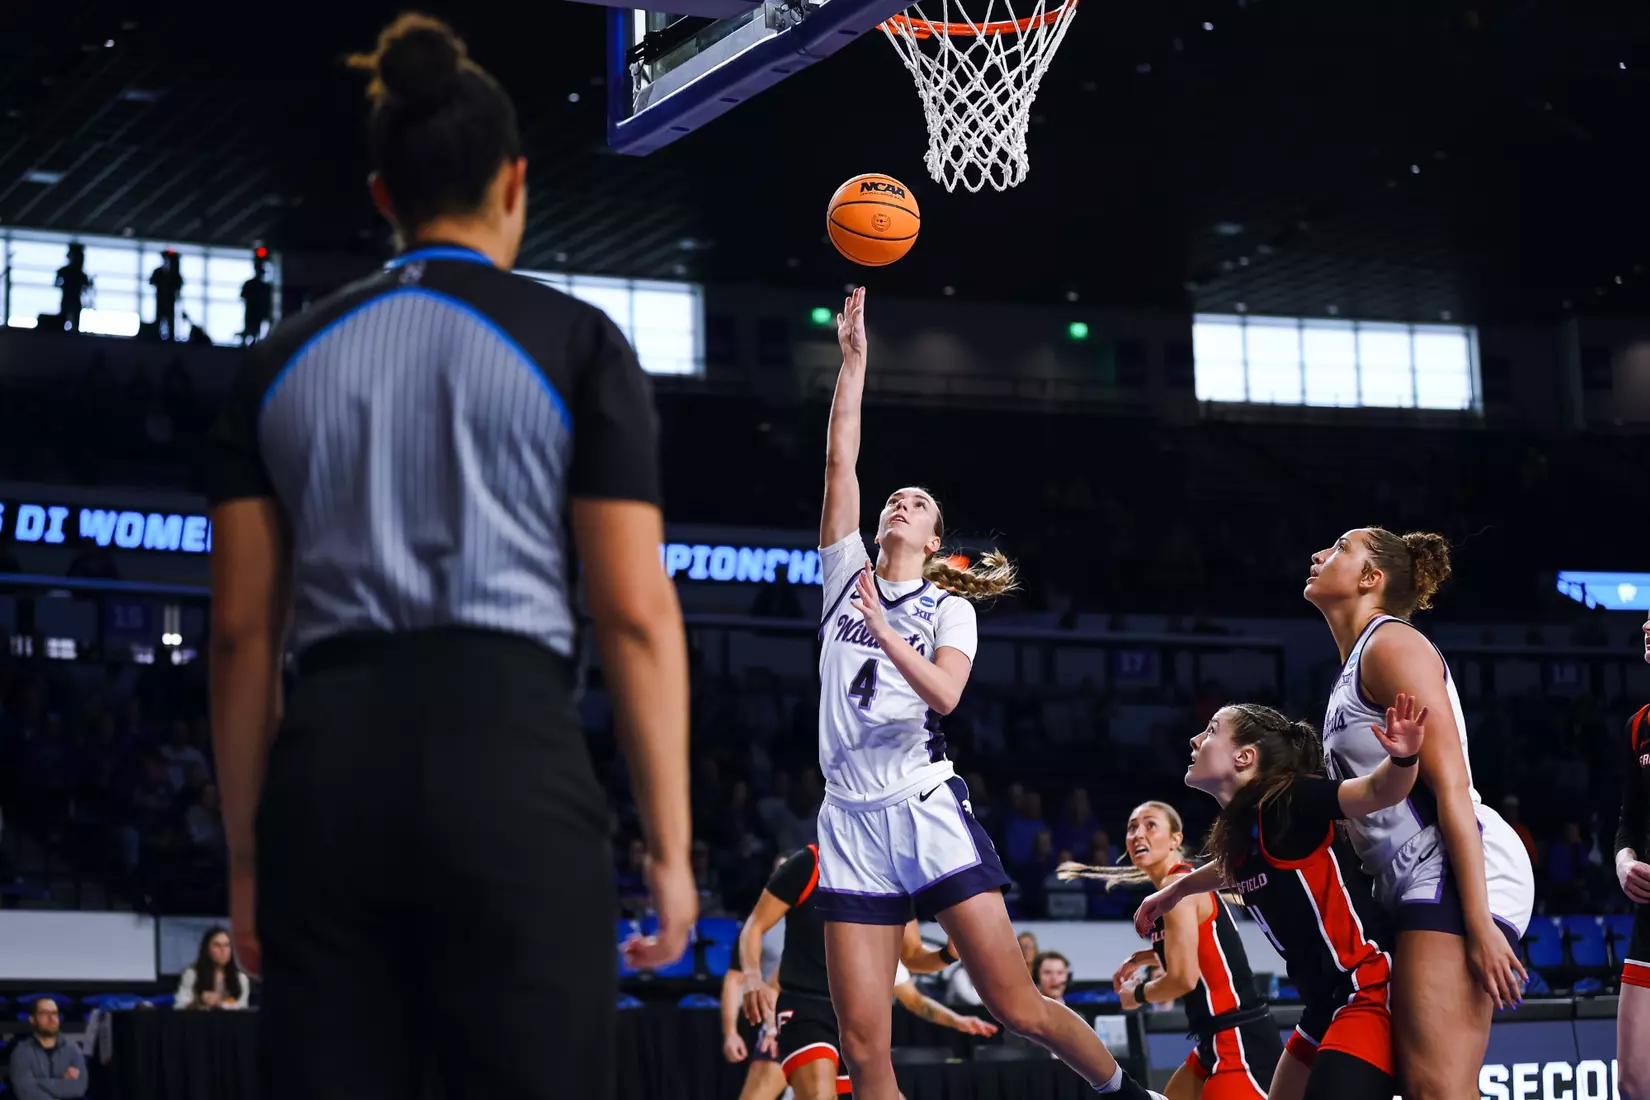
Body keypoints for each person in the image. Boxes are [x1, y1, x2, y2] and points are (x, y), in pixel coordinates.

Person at [204, 15, 690, 1100]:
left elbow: (240, 636)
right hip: (510, 761)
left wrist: (247, 862)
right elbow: (634, 613)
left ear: (383, 196)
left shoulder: (275, 360)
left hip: (327, 774)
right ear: (516, 183)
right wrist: (670, 848)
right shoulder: (579, 342)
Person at [811, 288, 1156, 1100]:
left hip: (923, 806)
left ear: (934, 541)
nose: (900, 502)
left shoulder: (947, 606)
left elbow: (945, 696)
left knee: (1017, 1005)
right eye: (895, 498)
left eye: (918, 504)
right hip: (847, 816)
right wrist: (854, 362)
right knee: (863, 1044)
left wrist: (886, 631)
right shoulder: (841, 577)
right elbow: (840, 461)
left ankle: (1125, 1095)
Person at [1304, 528, 1533, 1100]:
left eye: (1337, 549)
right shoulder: (1354, 665)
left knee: (1438, 1089)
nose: (1317, 555)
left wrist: (1477, 924)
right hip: (1409, 875)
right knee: (1428, 1086)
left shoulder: (1392, 646)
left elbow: (1452, 787)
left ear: (1369, 578)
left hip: (1453, 863)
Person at [1136, 699, 1426, 1100]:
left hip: (1367, 986)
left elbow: (1379, 791)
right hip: (1322, 1005)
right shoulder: (1244, 833)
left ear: (1244, 756)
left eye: (1212, 730)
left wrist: (1404, 756)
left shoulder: (1290, 799)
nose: (1195, 738)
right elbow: (1231, 868)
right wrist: (1178, 889)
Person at [1071, 800, 1279, 1100]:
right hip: (1216, 1039)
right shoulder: (1177, 886)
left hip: (1238, 1038)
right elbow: (1202, 948)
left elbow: (1183, 979)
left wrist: (1138, 995)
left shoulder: (1177, 883)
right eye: (1132, 828)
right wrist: (1143, 957)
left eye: (1150, 825)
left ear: (1175, 840)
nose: (1138, 834)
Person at [738, 843, 968, 1100]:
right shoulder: (809, 863)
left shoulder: (893, 881)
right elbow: (754, 926)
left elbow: (913, 956)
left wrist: (947, 954)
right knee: (817, 1095)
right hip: (806, 1005)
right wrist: (751, 977)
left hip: (862, 1014)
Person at [1613, 612, 1650, 1100]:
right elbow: (1628, 817)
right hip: (1649, 921)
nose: (1646, 624)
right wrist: (1624, 859)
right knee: (1635, 1083)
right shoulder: (1639, 726)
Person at [723, 856, 790, 1100]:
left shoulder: (822, 919)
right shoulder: (757, 925)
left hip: (829, 1024)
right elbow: (735, 980)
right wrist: (731, 1031)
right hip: (783, 1022)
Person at [8, 997, 87, 1100]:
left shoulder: (73, 1049)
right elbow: (27, 1092)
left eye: (55, 1013)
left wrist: (39, 1082)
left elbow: (79, 1088)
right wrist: (61, 1080)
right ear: (32, 1019)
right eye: (45, 1013)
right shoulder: (21, 1052)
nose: (52, 1018)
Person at [175, 925, 252, 1010]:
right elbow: (180, 1006)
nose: (223, 950)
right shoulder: (192, 974)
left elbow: (243, 1009)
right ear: (207, 949)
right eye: (217, 945)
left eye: (227, 945)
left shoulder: (241, 978)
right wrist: (200, 1001)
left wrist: (223, 1004)